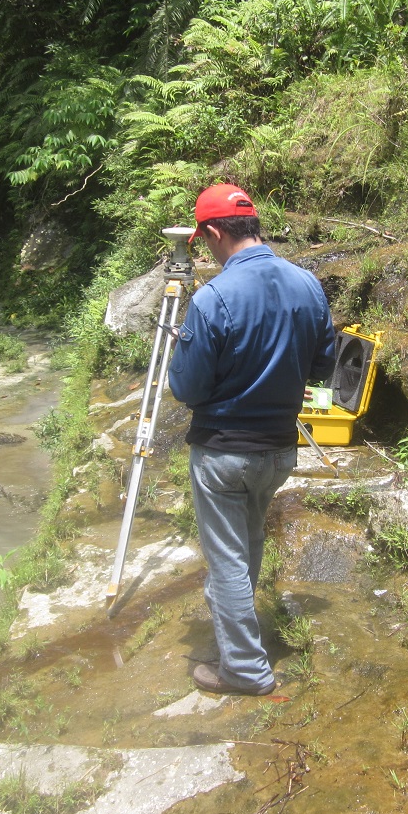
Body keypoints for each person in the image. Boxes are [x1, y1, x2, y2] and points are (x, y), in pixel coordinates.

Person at [168, 184, 336, 696]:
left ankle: (244, 669)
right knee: (249, 543)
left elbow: (187, 389)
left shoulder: (212, 298)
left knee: (227, 560)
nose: (207, 250)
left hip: (224, 453)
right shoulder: (308, 284)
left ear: (214, 233)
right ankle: (243, 639)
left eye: (204, 240)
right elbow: (323, 369)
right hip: (279, 450)